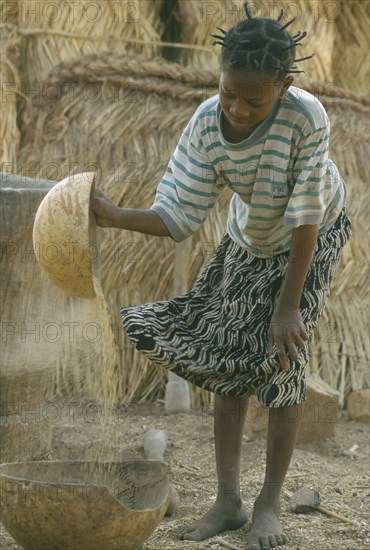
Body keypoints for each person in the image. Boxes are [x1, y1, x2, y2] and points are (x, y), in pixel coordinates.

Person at [91, 4, 351, 549]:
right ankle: (228, 501)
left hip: (309, 235)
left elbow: (305, 219)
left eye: (255, 99)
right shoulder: (208, 122)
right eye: (229, 92)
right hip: (249, 234)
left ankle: (268, 505)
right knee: (228, 357)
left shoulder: (308, 118)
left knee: (283, 362)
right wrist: (115, 216)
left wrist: (287, 307)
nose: (237, 108)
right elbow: (177, 216)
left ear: (284, 86)